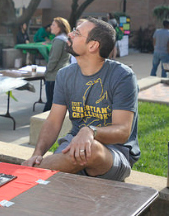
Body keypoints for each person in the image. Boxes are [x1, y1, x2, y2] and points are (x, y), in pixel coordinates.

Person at [22, 17, 140, 182]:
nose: (70, 34)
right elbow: (53, 122)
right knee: (74, 157)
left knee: (88, 149)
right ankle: (33, 170)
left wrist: (90, 131)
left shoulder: (122, 76)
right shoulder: (64, 75)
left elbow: (123, 131)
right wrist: (37, 154)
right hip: (73, 145)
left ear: (93, 45)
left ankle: (24, 175)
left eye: (77, 33)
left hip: (114, 153)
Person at [43, 17, 71, 112]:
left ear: (60, 28)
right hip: (61, 73)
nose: (51, 27)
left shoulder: (59, 40)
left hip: (54, 76)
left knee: (51, 104)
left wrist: (47, 72)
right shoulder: (65, 39)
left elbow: (53, 60)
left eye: (53, 25)